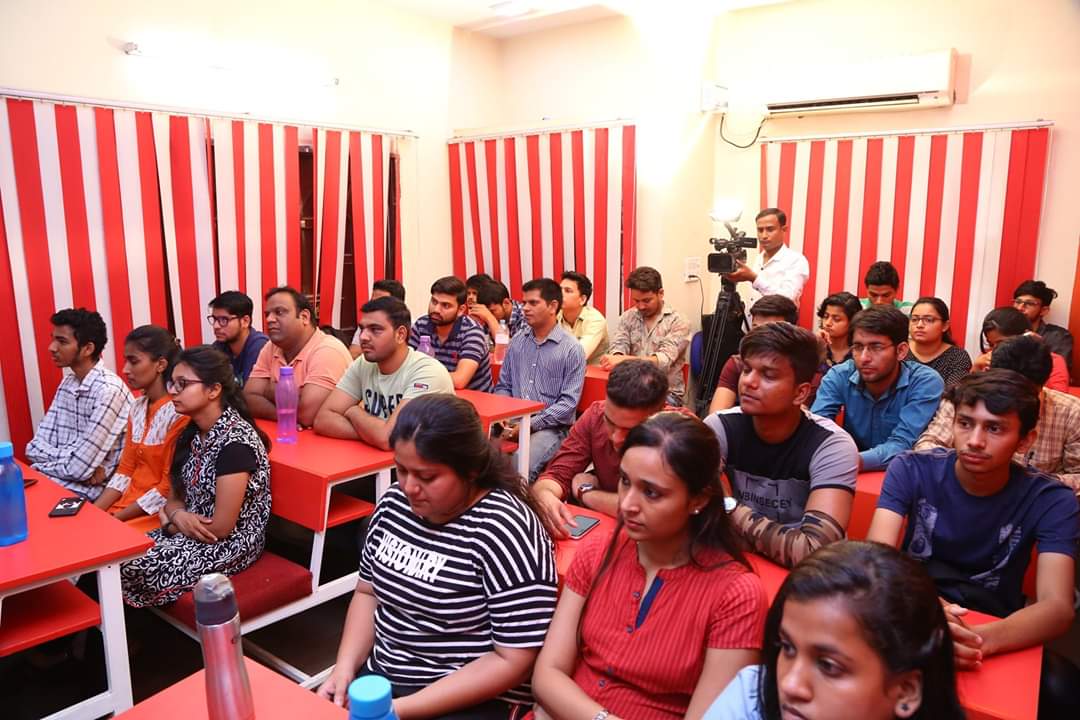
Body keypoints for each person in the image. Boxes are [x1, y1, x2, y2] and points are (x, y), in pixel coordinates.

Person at [317, 395, 556, 719]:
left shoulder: (505, 529)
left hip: (467, 697)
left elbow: (513, 659)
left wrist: (398, 710)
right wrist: (344, 668)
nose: (409, 487)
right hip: (385, 680)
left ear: (471, 471)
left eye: (427, 477)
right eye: (401, 470)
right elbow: (368, 593)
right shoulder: (394, 505)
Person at [867, 370, 1079, 717]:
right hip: (910, 606)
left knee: (1064, 688)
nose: (975, 441)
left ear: (1025, 440)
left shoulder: (1051, 499)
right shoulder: (911, 469)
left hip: (995, 622)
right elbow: (876, 561)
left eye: (994, 428)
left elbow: (1057, 607)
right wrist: (932, 617)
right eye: (965, 423)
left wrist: (977, 641)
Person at [531, 412, 767, 720]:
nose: (627, 504)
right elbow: (546, 675)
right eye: (625, 481)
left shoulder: (736, 596)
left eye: (651, 492)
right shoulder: (598, 551)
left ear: (698, 500)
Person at [703, 541, 964, 720]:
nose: (790, 684)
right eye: (788, 647)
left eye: (828, 666)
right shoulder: (750, 697)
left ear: (906, 690)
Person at [121, 346, 272, 607]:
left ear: (213, 390)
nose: (173, 391)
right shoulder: (190, 434)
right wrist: (178, 515)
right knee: (118, 556)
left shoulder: (235, 444)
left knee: (135, 566)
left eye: (183, 384)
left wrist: (171, 522)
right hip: (189, 529)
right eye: (172, 383)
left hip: (230, 543)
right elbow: (173, 498)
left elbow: (221, 528)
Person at [706, 323, 858, 568]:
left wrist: (728, 507)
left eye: (768, 375)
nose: (749, 382)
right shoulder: (720, 427)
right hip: (738, 565)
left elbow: (814, 553)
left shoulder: (832, 445)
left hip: (806, 580)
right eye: (747, 370)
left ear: (800, 393)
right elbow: (693, 518)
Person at [916, 335, 1080, 493]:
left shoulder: (1071, 412)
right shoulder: (964, 399)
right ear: (989, 373)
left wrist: (1027, 485)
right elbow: (928, 447)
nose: (1015, 403)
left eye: (1027, 395)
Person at [533, 360, 672, 537]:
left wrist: (587, 493)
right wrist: (545, 495)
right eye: (610, 423)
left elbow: (654, 512)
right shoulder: (595, 415)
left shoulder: (681, 433)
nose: (616, 438)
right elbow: (557, 475)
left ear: (660, 414)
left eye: (630, 430)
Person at [811, 307, 944, 471]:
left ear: (901, 351)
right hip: (844, 469)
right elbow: (816, 429)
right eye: (858, 347)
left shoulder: (924, 381)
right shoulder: (839, 375)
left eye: (876, 347)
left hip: (900, 473)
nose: (864, 358)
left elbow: (902, 443)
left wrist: (847, 461)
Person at [315, 297, 454, 450]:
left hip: (432, 462)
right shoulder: (364, 363)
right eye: (362, 329)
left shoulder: (427, 372)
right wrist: (373, 434)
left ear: (400, 335)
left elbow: (387, 438)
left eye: (375, 330)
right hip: (382, 459)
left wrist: (353, 411)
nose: (363, 337)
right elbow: (323, 419)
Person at [26, 308, 133, 500]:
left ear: (88, 349)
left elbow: (79, 469)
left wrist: (46, 464)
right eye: (53, 339)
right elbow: (32, 448)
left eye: (62, 341)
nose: (52, 347)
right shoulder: (68, 383)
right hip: (62, 479)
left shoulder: (108, 390)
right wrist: (72, 459)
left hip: (91, 489)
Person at [92, 326, 190, 520]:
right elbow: (125, 470)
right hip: (124, 507)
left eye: (134, 361)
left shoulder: (179, 413)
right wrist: (95, 514)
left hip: (154, 514)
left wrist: (115, 520)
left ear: (160, 364)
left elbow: (166, 487)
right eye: (126, 361)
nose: (125, 369)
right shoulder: (137, 406)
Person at [493, 279, 586, 482]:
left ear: (552, 306)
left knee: (519, 465)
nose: (525, 308)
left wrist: (531, 424)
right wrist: (501, 413)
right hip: (512, 422)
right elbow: (504, 385)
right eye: (524, 302)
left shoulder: (571, 349)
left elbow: (568, 404)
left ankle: (520, 502)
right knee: (479, 457)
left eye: (533, 303)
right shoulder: (517, 341)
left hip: (550, 428)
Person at [244, 286, 353, 428]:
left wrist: (269, 390)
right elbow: (248, 398)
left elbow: (307, 414)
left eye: (279, 312)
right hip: (285, 433)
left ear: (304, 317)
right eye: (267, 314)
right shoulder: (271, 346)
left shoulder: (328, 350)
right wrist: (287, 413)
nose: (270, 319)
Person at [602, 266, 690, 406]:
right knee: (602, 409)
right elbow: (619, 346)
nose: (641, 306)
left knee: (631, 413)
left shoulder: (678, 321)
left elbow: (663, 361)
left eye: (647, 301)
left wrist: (622, 360)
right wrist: (616, 357)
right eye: (636, 301)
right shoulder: (628, 317)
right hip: (630, 388)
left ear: (660, 293)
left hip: (666, 393)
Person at [708, 294, 799, 413]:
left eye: (768, 330)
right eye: (755, 328)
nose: (759, 337)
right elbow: (716, 413)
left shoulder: (801, 366)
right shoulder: (738, 363)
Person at [408, 276, 492, 391]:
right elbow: (405, 367)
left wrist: (421, 376)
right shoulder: (421, 325)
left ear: (461, 310)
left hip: (470, 399)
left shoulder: (472, 332)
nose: (436, 309)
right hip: (433, 394)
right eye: (434, 302)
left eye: (445, 305)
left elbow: (460, 380)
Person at [722, 208, 810, 306]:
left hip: (778, 316)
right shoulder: (759, 258)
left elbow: (787, 299)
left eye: (770, 229)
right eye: (760, 230)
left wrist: (753, 278)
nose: (764, 236)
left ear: (784, 229)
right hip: (751, 315)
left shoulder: (796, 260)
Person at [974, 306, 1070, 391]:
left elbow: (1057, 397)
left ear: (1026, 335)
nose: (995, 350)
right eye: (991, 344)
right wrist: (976, 368)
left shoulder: (1054, 361)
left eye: (1001, 343)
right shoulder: (986, 358)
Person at [906, 297, 972, 389]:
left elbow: (953, 393)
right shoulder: (900, 349)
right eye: (914, 319)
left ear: (945, 326)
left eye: (929, 320)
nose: (919, 325)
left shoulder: (957, 356)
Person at [208, 290, 269, 387]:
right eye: (214, 319)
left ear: (245, 321)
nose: (216, 326)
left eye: (224, 320)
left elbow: (249, 392)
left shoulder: (259, 346)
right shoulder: (219, 346)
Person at [1013, 279, 1073, 368]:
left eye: (1029, 303)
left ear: (1044, 310)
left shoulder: (1058, 336)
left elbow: (1058, 370)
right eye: (1017, 302)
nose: (1020, 308)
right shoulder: (1005, 331)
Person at [557, 270, 608, 365]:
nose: (560, 294)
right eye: (559, 289)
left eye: (568, 291)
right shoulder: (553, 315)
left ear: (582, 299)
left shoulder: (595, 320)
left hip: (592, 372)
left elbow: (578, 357)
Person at [349, 279, 406, 359]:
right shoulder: (367, 324)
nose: (374, 306)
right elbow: (354, 353)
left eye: (380, 303)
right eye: (372, 302)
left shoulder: (414, 327)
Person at [816, 291, 861, 370]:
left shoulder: (859, 352)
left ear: (852, 321)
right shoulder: (815, 346)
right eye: (826, 317)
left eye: (836, 319)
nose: (828, 323)